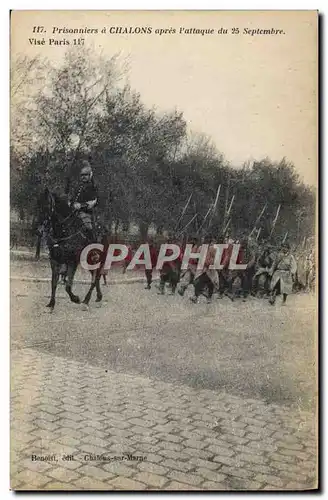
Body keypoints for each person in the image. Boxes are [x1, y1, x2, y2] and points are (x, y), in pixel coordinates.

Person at [71, 160, 98, 242]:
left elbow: (94, 201)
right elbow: (73, 199)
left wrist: (81, 205)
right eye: (82, 175)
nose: (83, 177)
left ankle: (92, 244)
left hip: (87, 213)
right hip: (74, 212)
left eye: (86, 175)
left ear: (90, 175)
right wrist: (72, 203)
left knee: (88, 227)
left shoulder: (93, 187)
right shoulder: (77, 187)